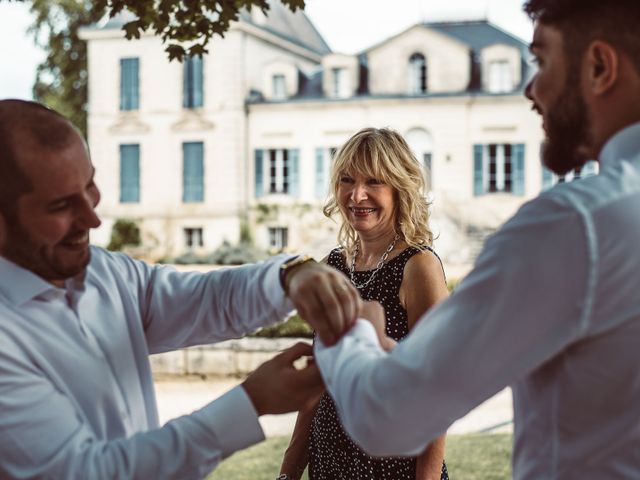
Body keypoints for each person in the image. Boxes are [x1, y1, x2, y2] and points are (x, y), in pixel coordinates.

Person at [314, 0, 640, 478]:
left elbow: (391, 416)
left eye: (542, 61)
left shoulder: (573, 223)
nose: (532, 91)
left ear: (599, 66)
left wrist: (354, 331)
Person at [0, 99, 362, 479]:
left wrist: (292, 275)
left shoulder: (107, 273)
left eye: (89, 185)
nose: (92, 217)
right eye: (60, 206)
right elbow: (91, 472)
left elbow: (210, 300)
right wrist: (251, 403)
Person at [279, 128, 449, 480]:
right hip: (329, 459)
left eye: (374, 181)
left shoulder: (419, 267)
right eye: (346, 180)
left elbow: (438, 388)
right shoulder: (333, 266)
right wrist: (289, 470)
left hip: (391, 463)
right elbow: (318, 377)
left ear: (399, 188)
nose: (357, 195)